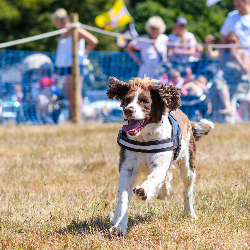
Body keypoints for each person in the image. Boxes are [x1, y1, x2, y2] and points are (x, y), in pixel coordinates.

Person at [52, 8, 98, 121]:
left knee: (75, 92)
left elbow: (93, 41)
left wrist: (84, 54)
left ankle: (77, 118)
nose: (57, 27)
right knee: (69, 93)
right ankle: (73, 117)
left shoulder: (76, 29)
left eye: (58, 24)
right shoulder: (63, 33)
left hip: (76, 65)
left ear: (64, 21)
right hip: (65, 67)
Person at [205, 32, 250, 115]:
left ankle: (231, 111)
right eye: (229, 41)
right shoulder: (223, 53)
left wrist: (237, 57)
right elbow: (211, 55)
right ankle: (227, 108)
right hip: (227, 83)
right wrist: (208, 45)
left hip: (240, 83)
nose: (231, 44)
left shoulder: (243, 53)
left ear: (238, 42)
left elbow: (246, 70)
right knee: (217, 82)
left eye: (233, 41)